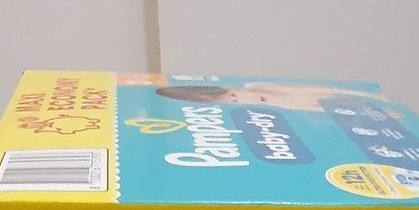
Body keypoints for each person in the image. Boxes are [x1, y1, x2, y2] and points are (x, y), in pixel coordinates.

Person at [155, 81, 391, 113]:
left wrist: (374, 99)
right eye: (233, 102)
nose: (241, 100)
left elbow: (323, 91)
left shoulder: (261, 87)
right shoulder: (276, 111)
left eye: (234, 95)